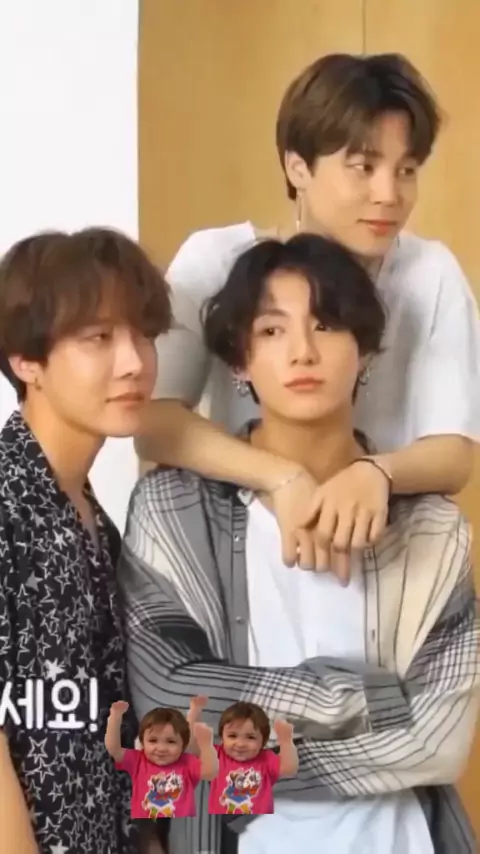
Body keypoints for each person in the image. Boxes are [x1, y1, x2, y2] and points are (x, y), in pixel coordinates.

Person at [119, 234, 479, 854]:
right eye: (272, 330)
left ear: (366, 352)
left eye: (327, 325)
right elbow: (171, 705)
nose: (303, 351)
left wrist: (241, 748)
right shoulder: (174, 512)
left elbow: (439, 741)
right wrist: (373, 697)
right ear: (238, 361)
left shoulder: (431, 530)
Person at [135, 52, 480, 578]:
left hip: (382, 549)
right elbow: (155, 423)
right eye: (363, 167)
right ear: (298, 167)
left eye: (406, 170)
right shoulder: (218, 260)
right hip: (243, 543)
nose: (389, 195)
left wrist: (373, 474)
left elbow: (454, 452)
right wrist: (281, 478)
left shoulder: (429, 273)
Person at [0, 228, 171, 854]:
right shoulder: (7, 505)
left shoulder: (97, 520)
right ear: (27, 360)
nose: (134, 362)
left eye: (143, 334)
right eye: (98, 337)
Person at [105, 701, 218, 819]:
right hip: (146, 822)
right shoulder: (138, 760)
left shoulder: (186, 762)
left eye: (171, 742)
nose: (161, 748)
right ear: (142, 743)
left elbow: (210, 773)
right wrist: (115, 718)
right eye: (153, 741)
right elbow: (114, 749)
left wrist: (206, 745)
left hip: (178, 822)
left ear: (182, 745)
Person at [208, 701, 298, 815]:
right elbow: (190, 747)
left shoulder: (266, 758)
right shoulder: (217, 754)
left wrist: (286, 741)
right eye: (232, 736)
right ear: (222, 738)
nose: (240, 744)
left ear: (263, 742)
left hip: (258, 820)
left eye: (250, 737)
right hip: (221, 819)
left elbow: (289, 769)